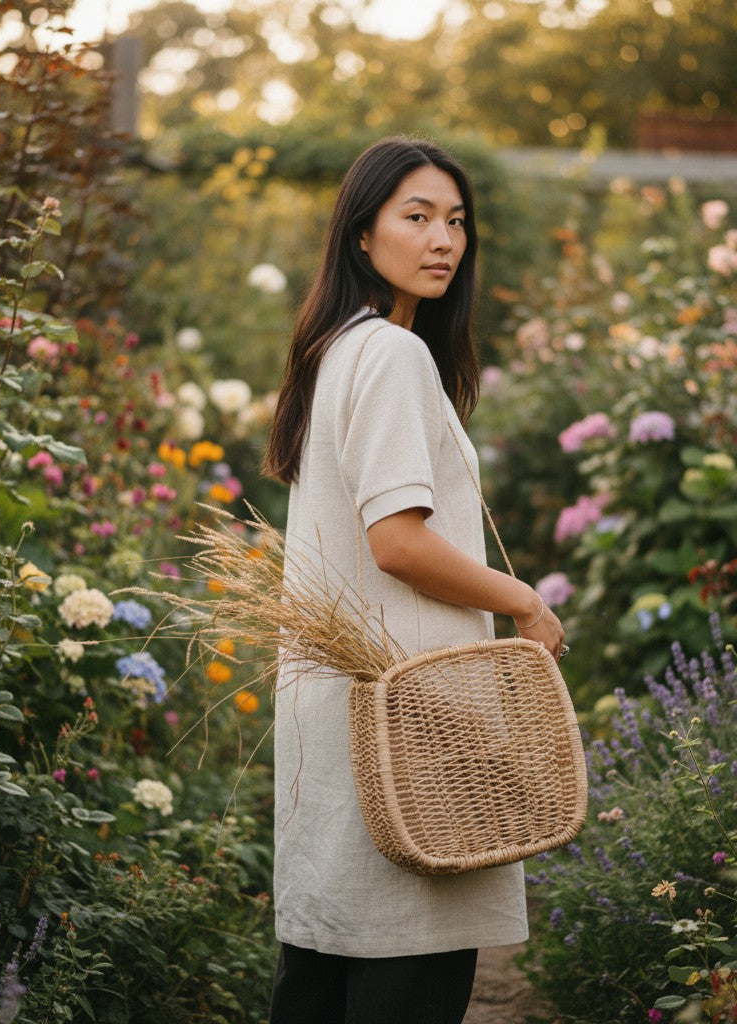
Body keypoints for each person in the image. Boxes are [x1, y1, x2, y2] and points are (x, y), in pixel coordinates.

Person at [261, 135, 565, 1024]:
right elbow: (397, 541)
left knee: (322, 974)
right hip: (410, 717)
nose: (443, 240)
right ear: (362, 235)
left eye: (457, 221)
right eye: (417, 217)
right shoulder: (393, 356)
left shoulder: (340, 348)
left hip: (345, 707)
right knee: (409, 976)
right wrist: (523, 600)